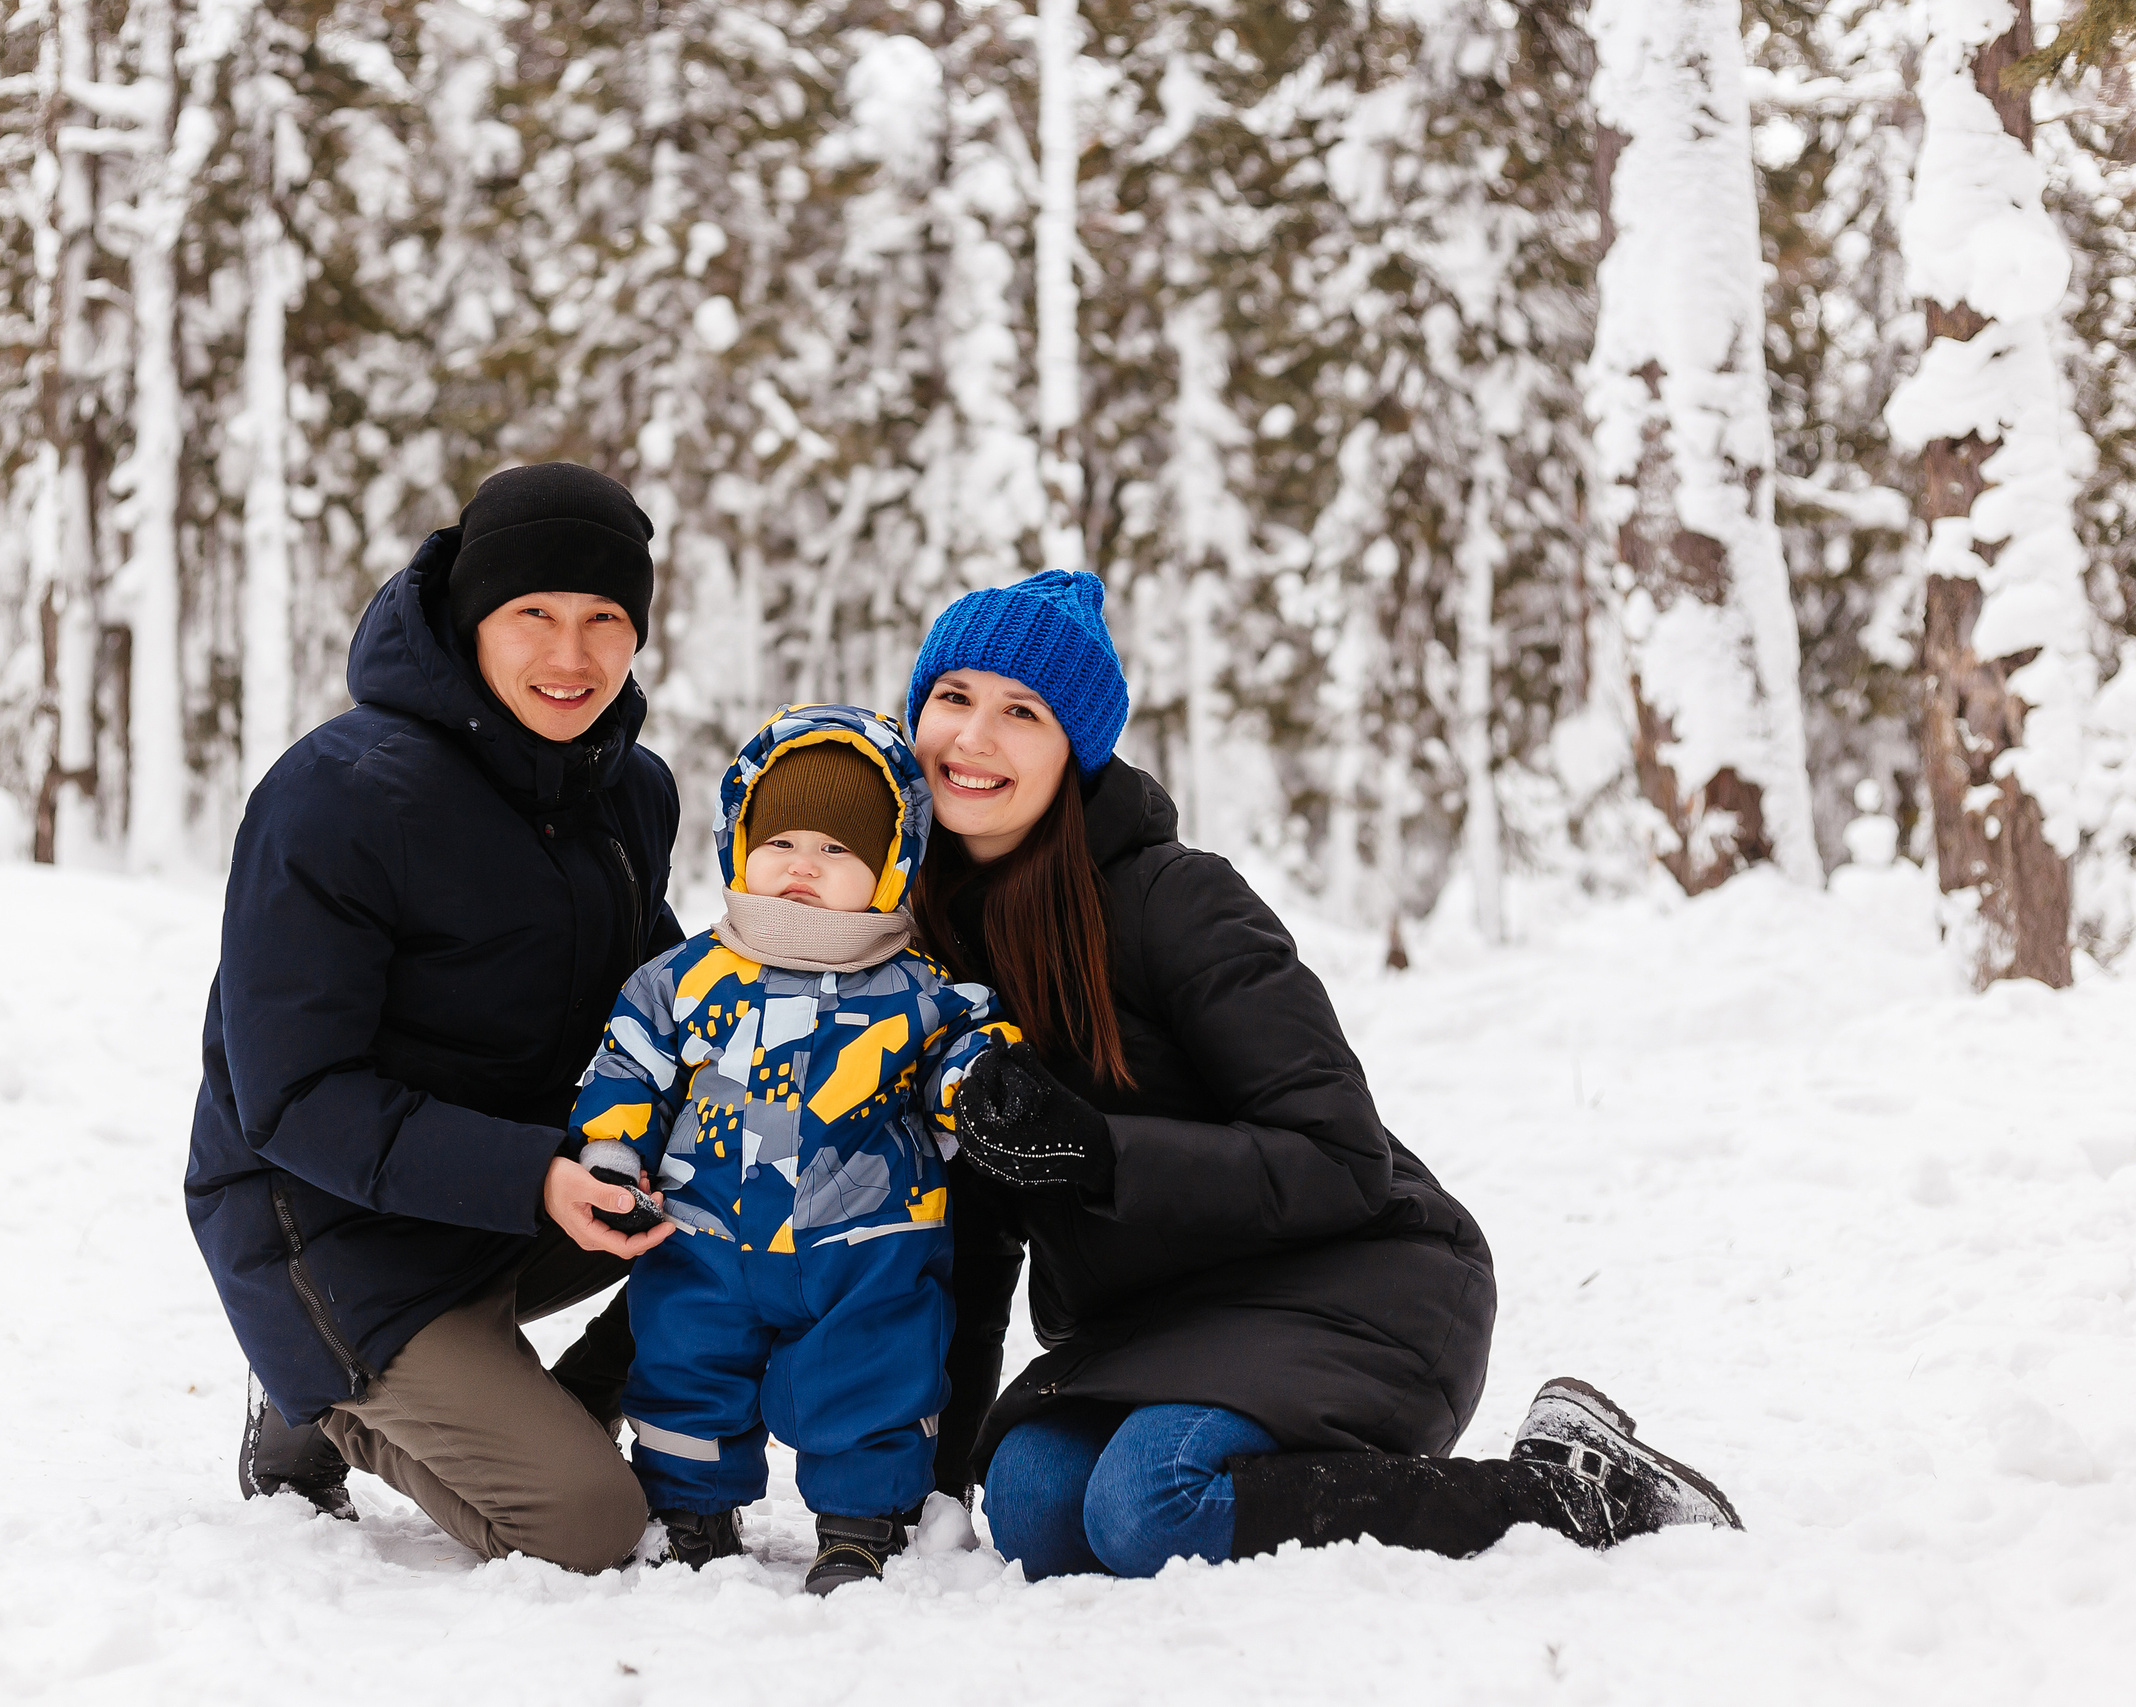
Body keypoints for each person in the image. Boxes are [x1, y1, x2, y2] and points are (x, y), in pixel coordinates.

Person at [901, 570, 1741, 1580]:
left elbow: (1339, 1157)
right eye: (953, 697)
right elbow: (977, 1248)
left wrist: (1102, 1154)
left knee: (1148, 1505)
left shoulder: (1178, 900)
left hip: (1358, 1284)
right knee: (1033, 1503)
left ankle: (1562, 1492)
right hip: (1158, 1326)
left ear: (1075, 747)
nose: (973, 738)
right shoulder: (922, 952)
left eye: (1021, 712)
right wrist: (933, 1487)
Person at [184, 462, 688, 1574]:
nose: (572, 657)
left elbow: (663, 999)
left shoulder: (630, 789)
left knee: (762, 1170)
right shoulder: (340, 794)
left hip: (501, 1192)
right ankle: (320, 1386)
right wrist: (537, 1176)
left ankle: (559, 1405)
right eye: (534, 614)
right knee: (588, 1526)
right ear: (470, 619)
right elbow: (294, 1098)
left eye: (605, 618)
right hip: (324, 1222)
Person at [568, 705, 1015, 1594]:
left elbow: (966, 1050)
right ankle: (689, 1510)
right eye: (780, 841)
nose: (803, 864)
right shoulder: (687, 976)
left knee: (873, 1371)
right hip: (705, 1235)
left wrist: (977, 1085)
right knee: (686, 1363)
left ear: (892, 865)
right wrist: (612, 1148)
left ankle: (862, 1522)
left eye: (837, 849)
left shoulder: (917, 989)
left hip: (865, 1241)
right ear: (738, 845)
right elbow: (629, 1063)